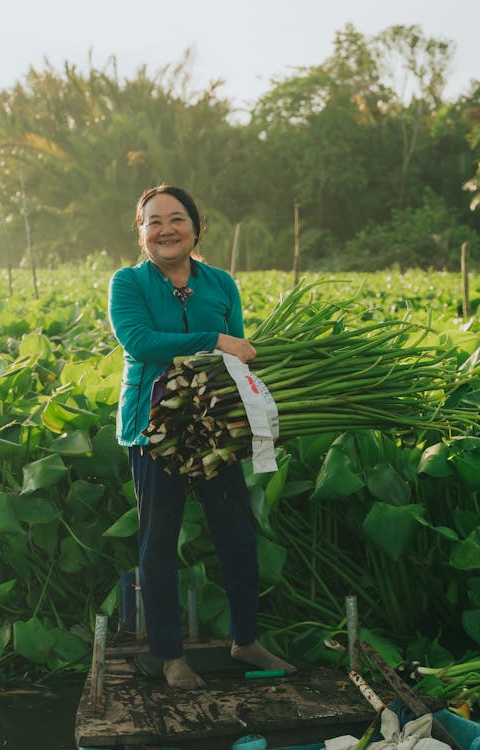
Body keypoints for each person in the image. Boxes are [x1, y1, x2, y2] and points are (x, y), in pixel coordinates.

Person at [108, 184, 296, 689]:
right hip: (155, 427)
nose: (165, 230)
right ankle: (170, 656)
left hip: (216, 425)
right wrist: (212, 339)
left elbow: (242, 355)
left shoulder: (220, 284)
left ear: (195, 226)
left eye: (176, 219)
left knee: (236, 533)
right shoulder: (128, 283)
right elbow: (140, 342)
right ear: (141, 232)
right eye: (153, 222)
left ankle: (246, 639)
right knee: (159, 542)